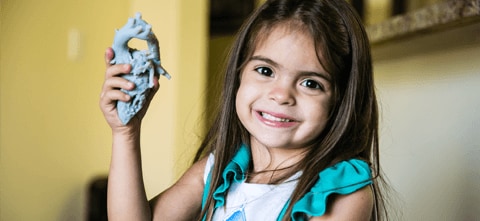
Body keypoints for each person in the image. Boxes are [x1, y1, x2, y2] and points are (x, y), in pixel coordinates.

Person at [99, 0, 390, 220]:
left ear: (341, 99)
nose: (280, 95)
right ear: (239, 74)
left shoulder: (341, 191)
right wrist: (125, 131)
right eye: (265, 70)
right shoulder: (219, 169)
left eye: (311, 83)